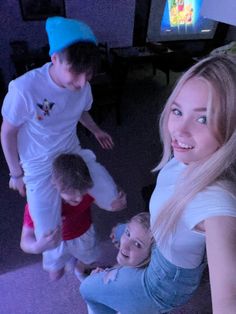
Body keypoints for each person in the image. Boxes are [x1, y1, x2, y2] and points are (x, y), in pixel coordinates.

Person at [80, 54, 236, 314]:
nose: (179, 130)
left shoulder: (215, 202)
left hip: (164, 283)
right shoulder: (186, 157)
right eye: (177, 111)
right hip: (161, 247)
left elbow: (228, 302)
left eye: (203, 118)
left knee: (88, 289)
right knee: (118, 245)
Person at [1, 17, 116, 249]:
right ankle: (49, 254)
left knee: (113, 200)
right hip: (37, 163)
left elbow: (81, 111)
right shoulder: (24, 89)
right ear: (55, 59)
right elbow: (7, 133)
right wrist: (15, 174)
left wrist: (95, 130)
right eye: (76, 73)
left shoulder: (83, 86)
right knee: (47, 236)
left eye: (89, 74)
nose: (83, 83)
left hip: (70, 151)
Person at [20, 153, 126, 281]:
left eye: (82, 193)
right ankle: (70, 259)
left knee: (88, 261)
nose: (79, 198)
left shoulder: (84, 190)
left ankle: (78, 268)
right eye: (73, 196)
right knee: (55, 276)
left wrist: (114, 204)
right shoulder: (42, 207)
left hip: (83, 234)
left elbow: (100, 199)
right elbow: (25, 240)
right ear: (55, 186)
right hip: (56, 243)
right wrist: (37, 247)